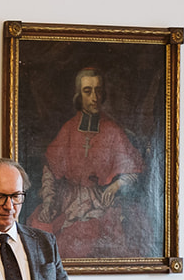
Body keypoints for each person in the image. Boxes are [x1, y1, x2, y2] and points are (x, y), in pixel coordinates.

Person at [36, 66, 145, 258]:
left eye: (98, 91)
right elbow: (50, 170)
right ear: (79, 96)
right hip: (67, 203)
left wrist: (115, 186)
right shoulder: (69, 129)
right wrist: (48, 202)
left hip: (102, 204)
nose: (94, 97)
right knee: (40, 230)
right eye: (88, 91)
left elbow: (132, 171)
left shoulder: (112, 130)